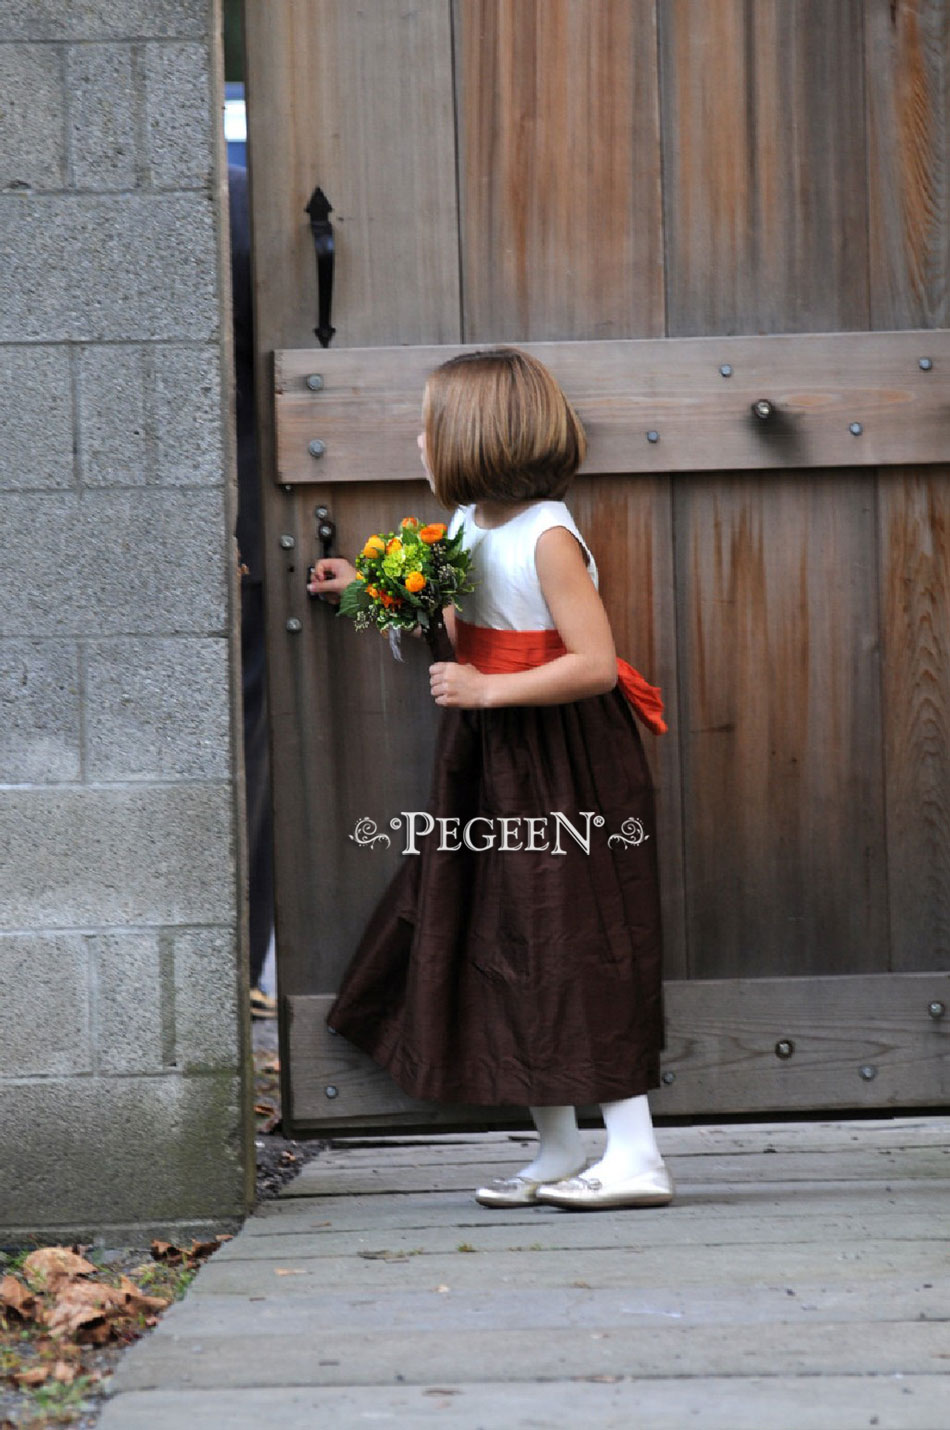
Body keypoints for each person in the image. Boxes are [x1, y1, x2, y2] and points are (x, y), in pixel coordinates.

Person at [308, 348, 671, 1210]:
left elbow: (594, 663)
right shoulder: (474, 520)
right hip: (492, 759)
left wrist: (487, 688)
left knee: (574, 938)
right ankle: (559, 1147)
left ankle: (637, 1155)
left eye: (429, 427)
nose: (419, 441)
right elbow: (454, 609)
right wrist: (366, 588)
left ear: (475, 439)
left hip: (562, 763)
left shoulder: (548, 537)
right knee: (509, 932)